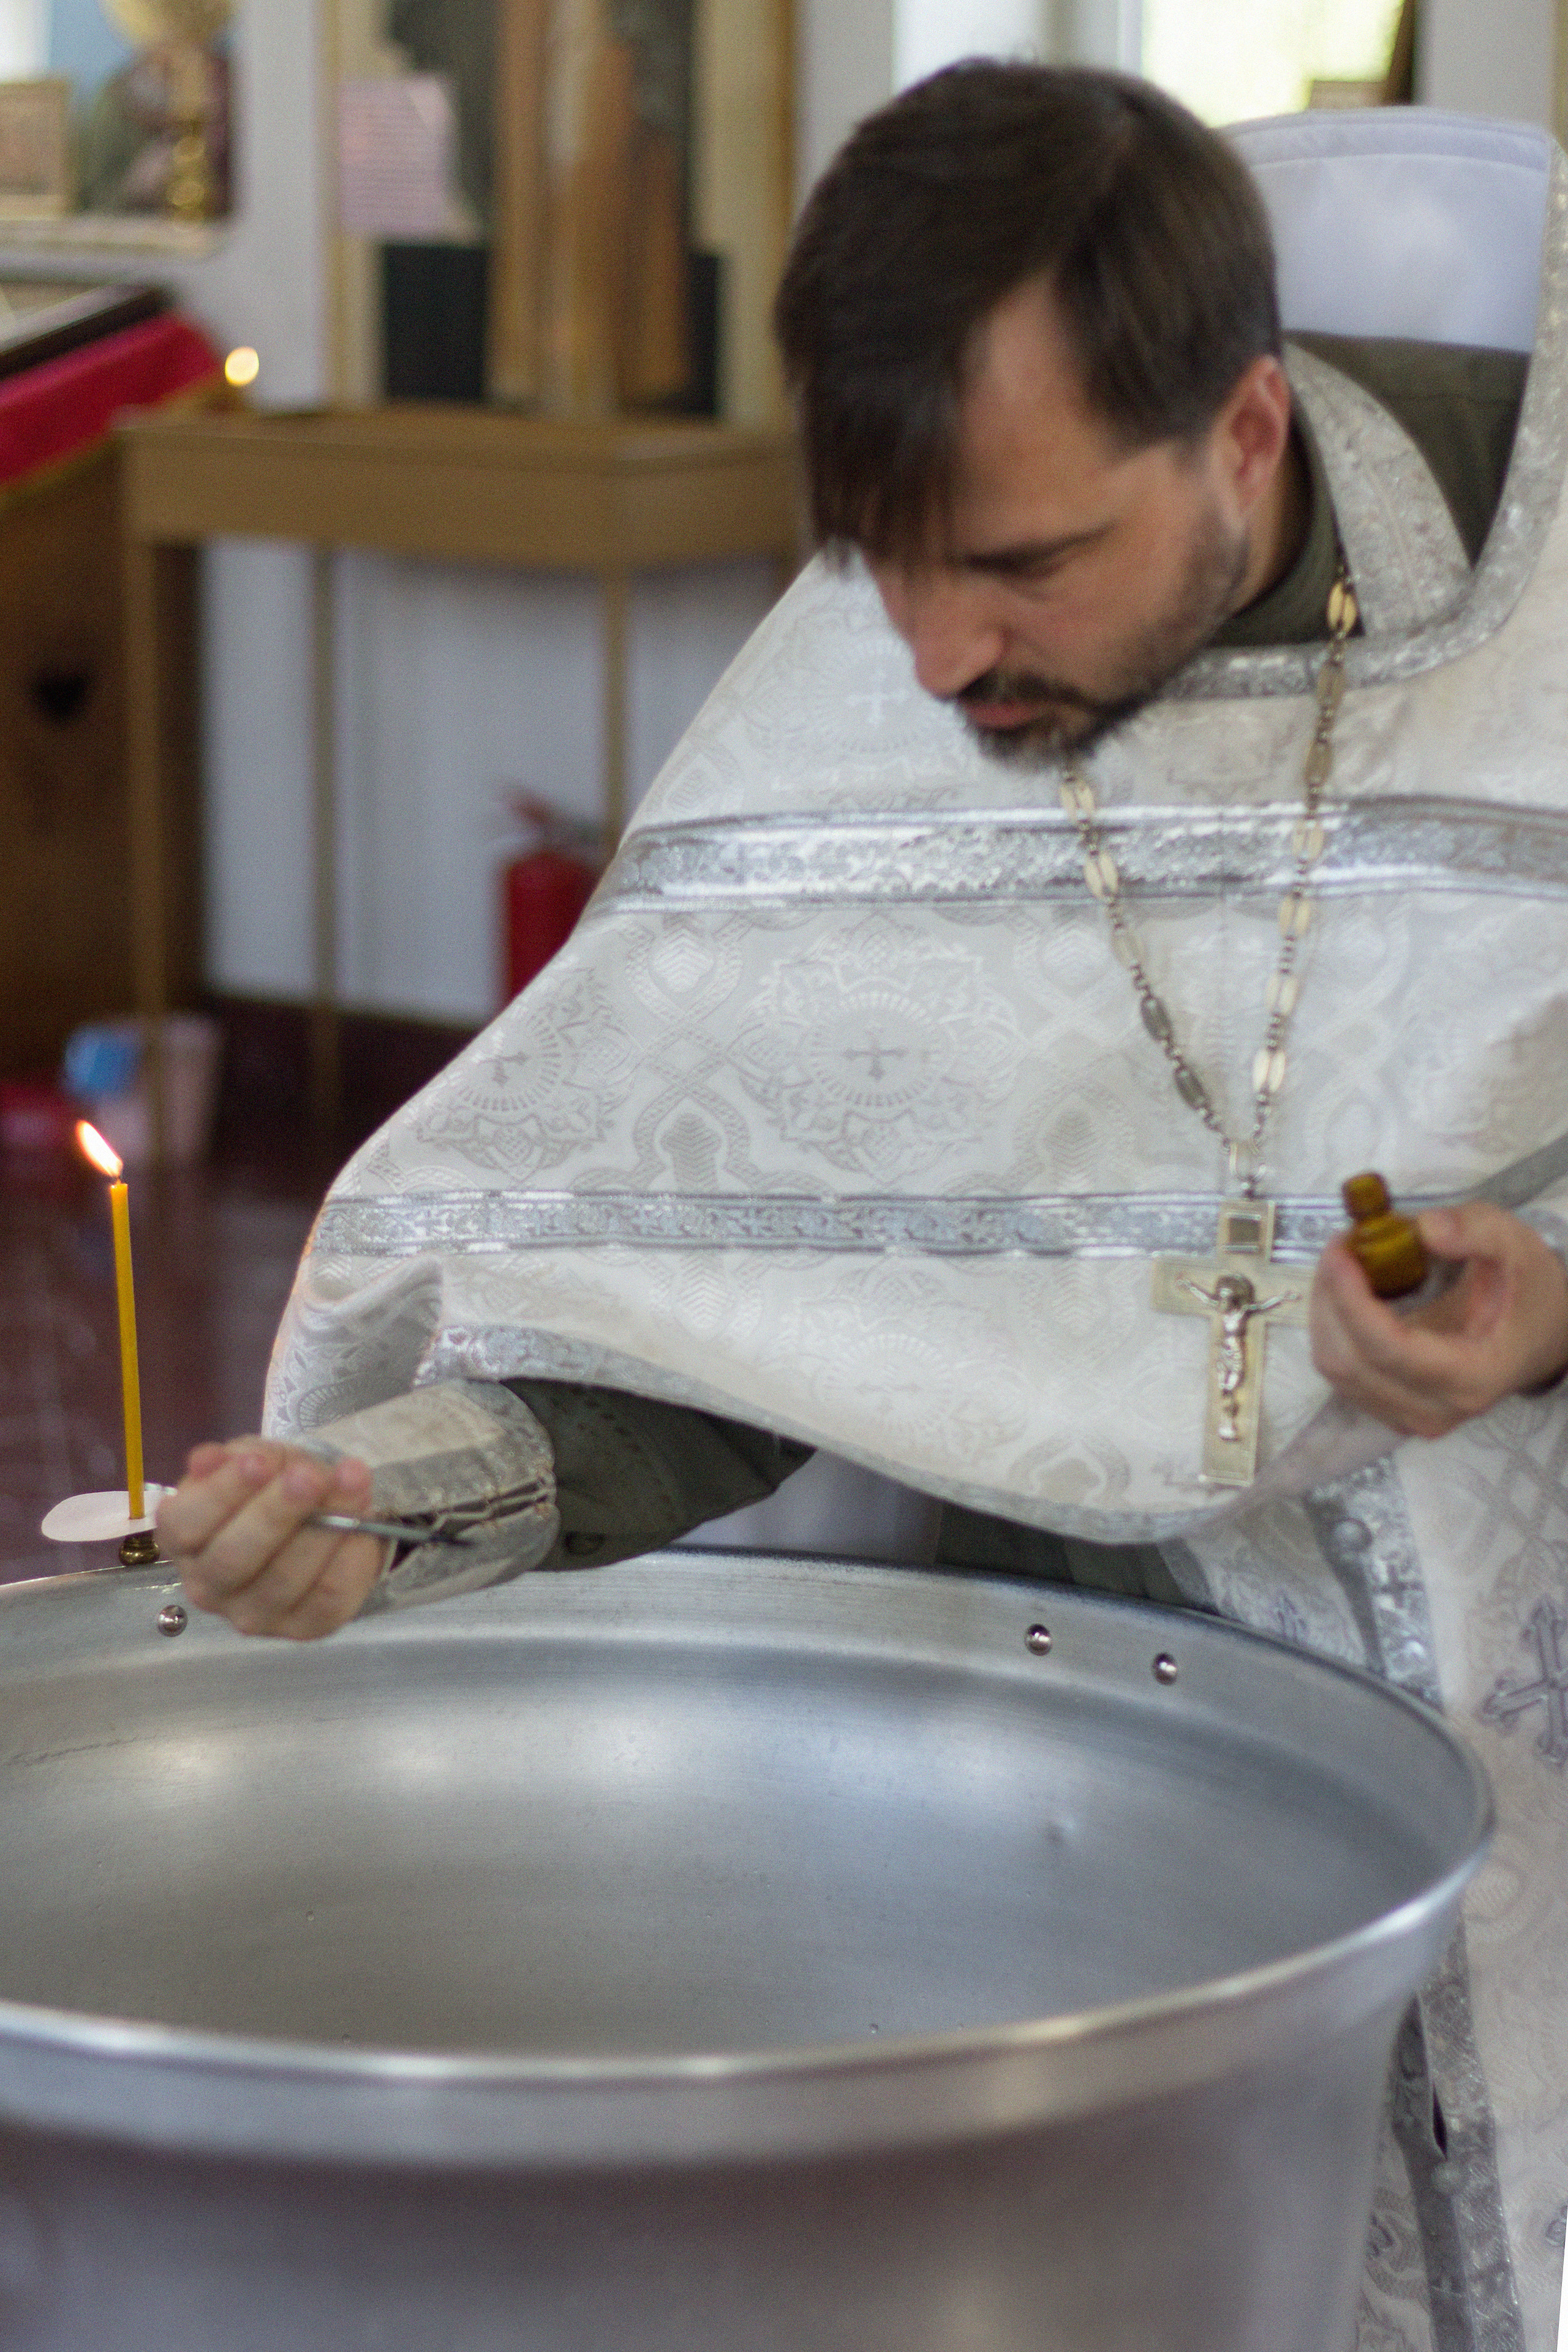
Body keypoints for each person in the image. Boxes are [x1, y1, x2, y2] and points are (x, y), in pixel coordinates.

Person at [159, 67, 1568, 2351]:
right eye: (881, 559)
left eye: (1018, 566)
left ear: (1242, 431)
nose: (933, 660)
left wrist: (1556, 1311)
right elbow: (739, 1273)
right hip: (1095, 1822)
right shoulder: (880, 686)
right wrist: (401, 1494)